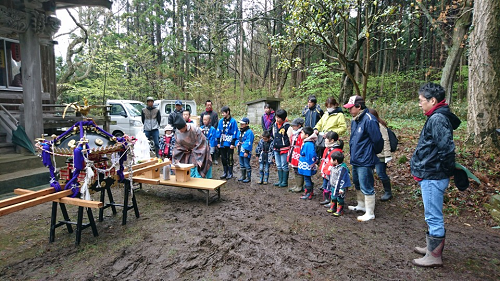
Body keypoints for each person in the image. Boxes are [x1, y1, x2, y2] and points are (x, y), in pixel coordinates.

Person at [410, 82, 460, 268]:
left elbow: (446, 149)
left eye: (421, 100)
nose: (419, 104)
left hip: (434, 174)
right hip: (431, 172)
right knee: (431, 214)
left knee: (433, 215)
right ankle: (431, 247)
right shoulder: (435, 116)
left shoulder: (438, 119)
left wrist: (445, 171)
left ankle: (434, 256)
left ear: (433, 100)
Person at [343, 95, 383, 222]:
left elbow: (377, 140)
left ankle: (370, 212)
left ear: (358, 106)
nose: (349, 110)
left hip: (365, 159)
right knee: (357, 182)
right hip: (356, 157)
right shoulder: (356, 119)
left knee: (366, 184)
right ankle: (361, 205)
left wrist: (370, 153)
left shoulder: (369, 120)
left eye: (351, 108)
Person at [369, 108, 393, 201]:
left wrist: (387, 155)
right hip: (371, 153)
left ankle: (388, 192)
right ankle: (370, 191)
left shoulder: (380, 126)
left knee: (381, 173)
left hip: (381, 154)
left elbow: (386, 140)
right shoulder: (369, 125)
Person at [326, 151, 351, 216]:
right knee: (333, 196)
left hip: (340, 187)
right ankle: (333, 207)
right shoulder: (333, 166)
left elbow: (344, 179)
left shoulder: (342, 169)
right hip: (333, 185)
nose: (330, 160)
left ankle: (340, 210)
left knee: (339, 198)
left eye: (331, 159)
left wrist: (342, 188)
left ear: (336, 161)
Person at [272, 109, 293, 187]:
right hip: (276, 147)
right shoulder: (274, 125)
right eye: (276, 117)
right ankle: (280, 180)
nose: (277, 119)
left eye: (279, 118)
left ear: (283, 118)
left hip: (284, 149)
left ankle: (284, 182)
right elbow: (274, 135)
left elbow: (290, 137)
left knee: (284, 165)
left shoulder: (287, 126)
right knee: (278, 165)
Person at [319, 131, 340, 205]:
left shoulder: (336, 150)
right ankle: (327, 199)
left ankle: (332, 201)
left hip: (331, 171)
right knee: (325, 185)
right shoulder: (328, 148)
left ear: (332, 140)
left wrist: (328, 170)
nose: (325, 140)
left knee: (330, 185)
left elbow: (333, 163)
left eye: (327, 138)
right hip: (326, 170)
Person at [216, 106, 238, 179]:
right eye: (222, 113)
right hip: (222, 142)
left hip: (229, 142)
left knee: (230, 158)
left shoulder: (233, 121)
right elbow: (218, 131)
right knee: (223, 158)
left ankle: (230, 172)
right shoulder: (220, 121)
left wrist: (233, 143)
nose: (222, 114)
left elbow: (235, 132)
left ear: (228, 112)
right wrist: (218, 142)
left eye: (223, 113)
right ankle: (225, 172)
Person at [298, 126, 318, 200]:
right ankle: (309, 192)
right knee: (307, 178)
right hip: (305, 164)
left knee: (307, 179)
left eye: (302, 133)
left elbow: (310, 155)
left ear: (307, 135)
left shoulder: (308, 144)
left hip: (307, 165)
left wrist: (310, 164)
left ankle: (308, 193)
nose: (301, 134)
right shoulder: (307, 143)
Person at [287, 118, 305, 192]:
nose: (293, 127)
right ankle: (297, 185)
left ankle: (299, 186)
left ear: (299, 126)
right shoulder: (295, 133)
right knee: (295, 169)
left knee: (298, 169)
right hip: (293, 151)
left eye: (294, 126)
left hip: (298, 152)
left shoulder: (301, 134)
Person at [236, 117, 254, 183]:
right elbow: (237, 138)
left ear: (246, 124)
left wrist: (246, 151)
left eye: (242, 124)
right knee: (241, 164)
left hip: (246, 151)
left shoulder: (249, 132)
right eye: (241, 124)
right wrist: (237, 143)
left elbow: (249, 142)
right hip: (240, 149)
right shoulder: (240, 131)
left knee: (246, 164)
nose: (241, 125)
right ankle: (243, 176)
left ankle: (248, 177)